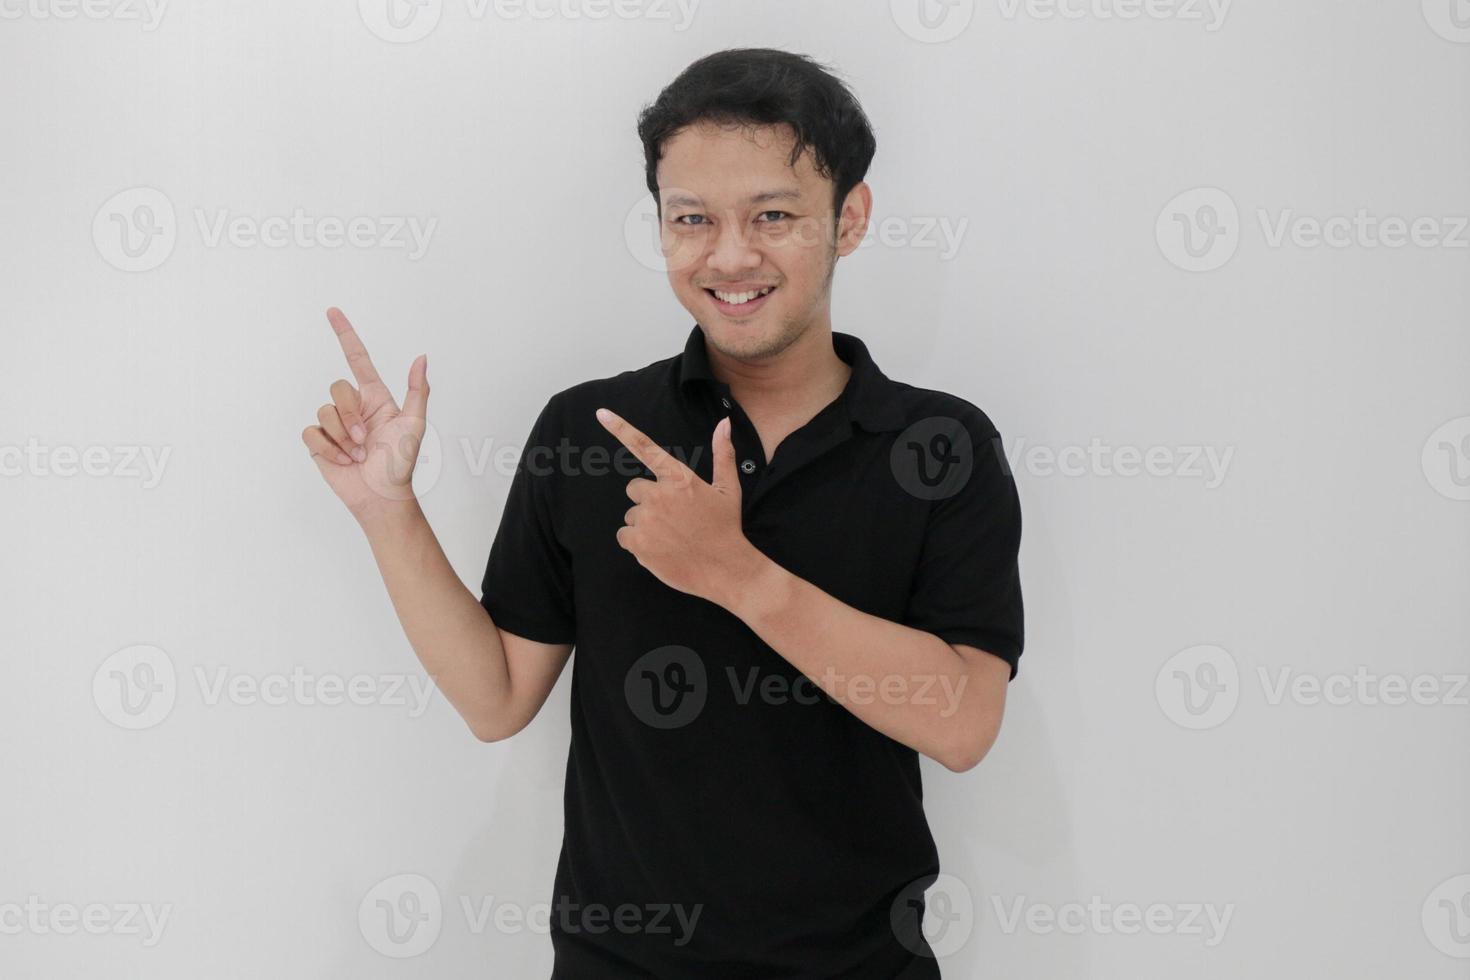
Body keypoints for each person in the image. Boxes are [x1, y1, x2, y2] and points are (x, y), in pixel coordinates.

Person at [302, 47, 1024, 980]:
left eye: (773, 215)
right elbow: (496, 698)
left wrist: (738, 575)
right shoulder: (589, 429)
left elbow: (964, 722)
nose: (730, 255)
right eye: (693, 219)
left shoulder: (941, 445)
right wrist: (387, 512)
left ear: (850, 219)